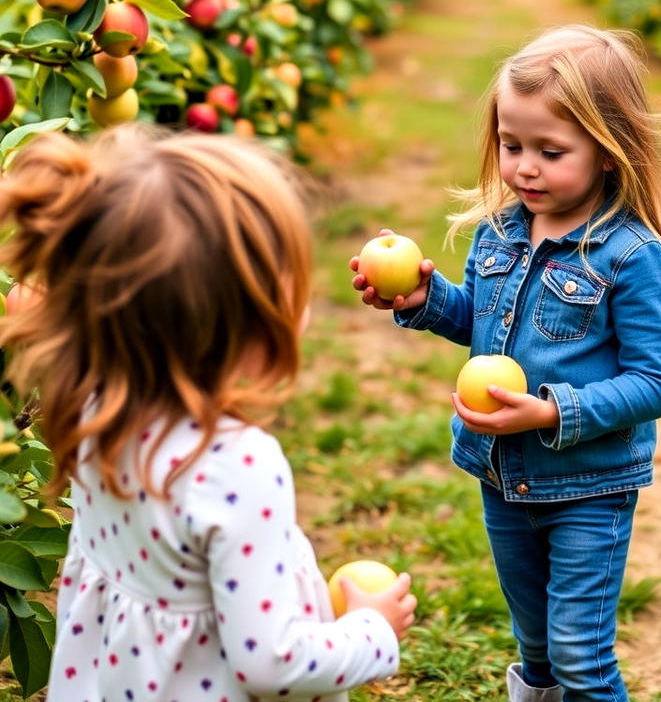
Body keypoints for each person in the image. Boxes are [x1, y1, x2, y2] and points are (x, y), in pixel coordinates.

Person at [0, 124, 416, 702]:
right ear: (244, 318)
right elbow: (270, 664)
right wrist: (370, 630)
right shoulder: (237, 466)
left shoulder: (94, 405)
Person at [350, 25, 661, 702]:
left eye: (550, 151)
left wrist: (550, 411)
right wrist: (424, 299)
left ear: (608, 152)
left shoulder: (631, 257)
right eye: (512, 146)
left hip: (588, 488)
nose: (525, 168)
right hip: (501, 475)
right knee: (536, 645)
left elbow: (656, 384)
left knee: (579, 654)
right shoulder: (501, 230)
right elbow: (482, 321)